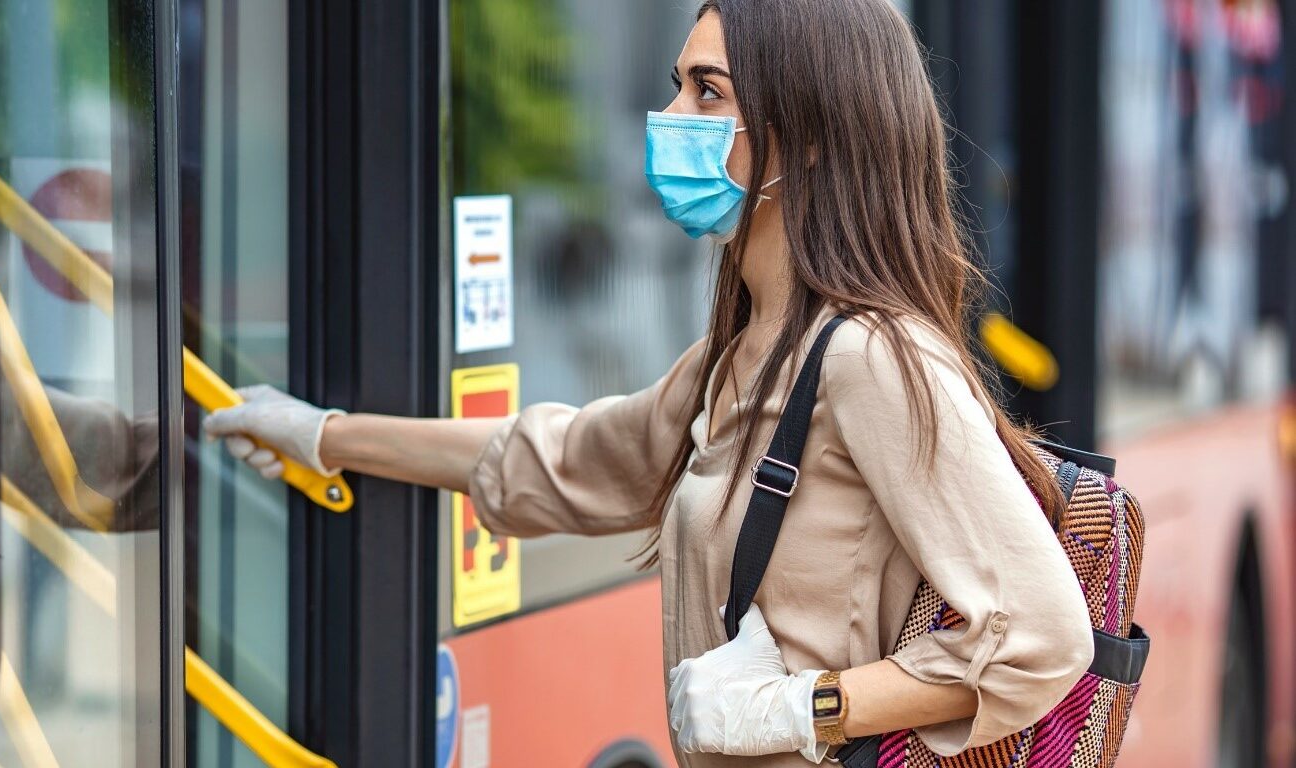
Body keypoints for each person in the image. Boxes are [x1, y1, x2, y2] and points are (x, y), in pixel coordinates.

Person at [202, 0, 1093, 764]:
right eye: (679, 86)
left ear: (813, 136)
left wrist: (805, 707)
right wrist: (324, 436)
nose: (670, 116)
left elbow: (1043, 636)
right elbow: (565, 459)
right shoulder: (740, 356)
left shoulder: (872, 358)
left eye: (708, 92)